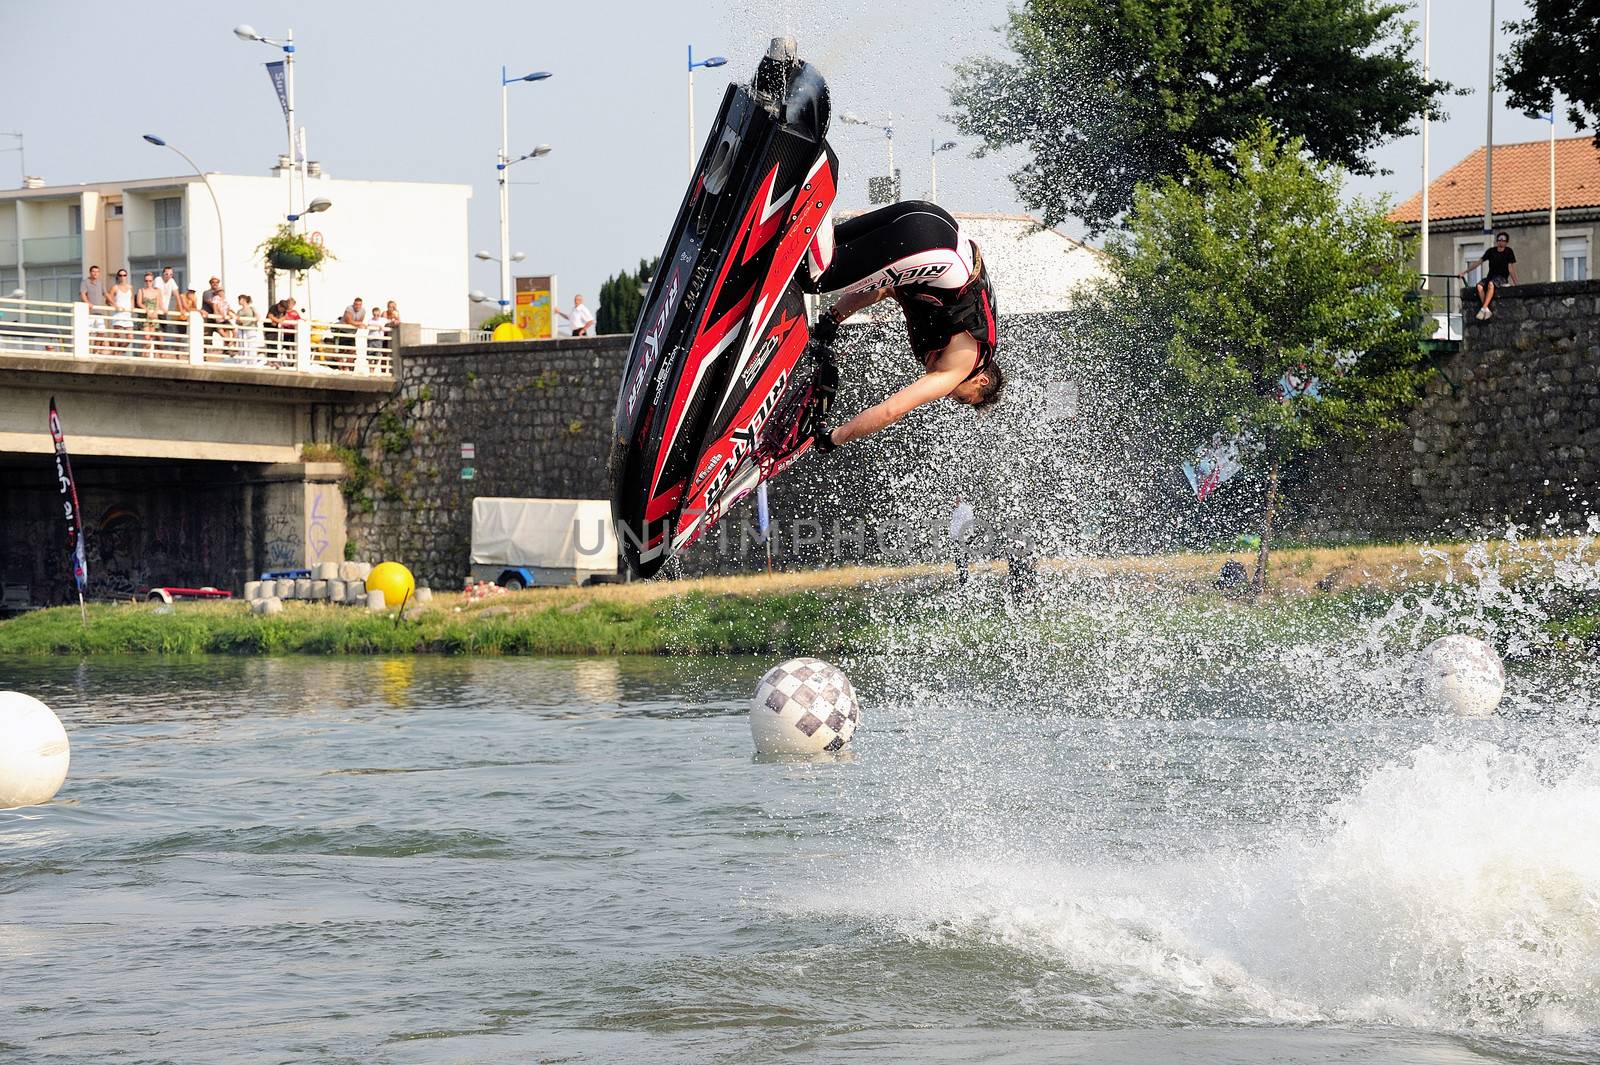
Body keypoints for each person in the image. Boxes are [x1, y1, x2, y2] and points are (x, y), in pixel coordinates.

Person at [796, 200, 1002, 454]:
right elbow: (893, 410)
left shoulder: (966, 328)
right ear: (981, 380)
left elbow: (885, 288)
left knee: (808, 248)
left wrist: (833, 318)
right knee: (815, 277)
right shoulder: (961, 366)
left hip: (932, 217)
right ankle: (814, 176)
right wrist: (833, 438)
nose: (950, 396)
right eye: (963, 398)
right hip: (933, 247)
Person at [1460, 232, 1518, 320]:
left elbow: (1511, 268)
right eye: (1499, 240)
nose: (1501, 242)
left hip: (1501, 278)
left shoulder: (1508, 252)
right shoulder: (1491, 251)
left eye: (1503, 240)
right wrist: (1465, 272)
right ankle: (1486, 308)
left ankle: (1483, 308)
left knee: (1491, 284)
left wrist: (1516, 284)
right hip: (1491, 276)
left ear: (1506, 242)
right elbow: (1478, 262)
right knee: (1479, 286)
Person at [80, 265, 107, 354]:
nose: (95, 273)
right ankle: (86, 352)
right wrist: (87, 302)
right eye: (93, 271)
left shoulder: (100, 282)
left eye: (97, 272)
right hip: (90, 312)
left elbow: (105, 294)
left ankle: (94, 351)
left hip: (99, 312)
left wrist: (114, 304)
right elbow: (83, 294)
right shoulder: (85, 282)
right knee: (88, 332)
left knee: (101, 332)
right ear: (90, 272)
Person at [107, 269, 135, 353]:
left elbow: (132, 298)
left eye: (124, 275)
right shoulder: (115, 287)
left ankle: (120, 351)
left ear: (126, 276)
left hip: (127, 315)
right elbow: (108, 301)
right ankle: (115, 352)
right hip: (118, 314)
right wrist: (116, 306)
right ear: (118, 277)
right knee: (117, 335)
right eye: (120, 275)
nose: (122, 277)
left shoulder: (130, 287)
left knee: (130, 337)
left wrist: (132, 307)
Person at [136, 272, 161, 356]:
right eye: (146, 281)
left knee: (151, 338)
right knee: (146, 337)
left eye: (150, 281)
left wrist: (154, 312)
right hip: (144, 316)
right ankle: (143, 355)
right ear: (144, 281)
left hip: (153, 316)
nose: (148, 282)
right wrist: (146, 310)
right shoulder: (141, 290)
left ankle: (145, 354)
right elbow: (139, 303)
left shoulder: (157, 291)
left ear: (153, 281)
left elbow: (158, 304)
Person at [235, 294, 262, 363]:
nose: (238, 301)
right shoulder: (239, 311)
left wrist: (255, 319)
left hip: (250, 329)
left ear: (243, 300)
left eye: (239, 299)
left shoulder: (251, 308)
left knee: (251, 346)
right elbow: (236, 321)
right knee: (242, 346)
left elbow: (257, 316)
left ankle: (252, 362)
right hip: (242, 330)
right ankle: (242, 361)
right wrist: (239, 320)